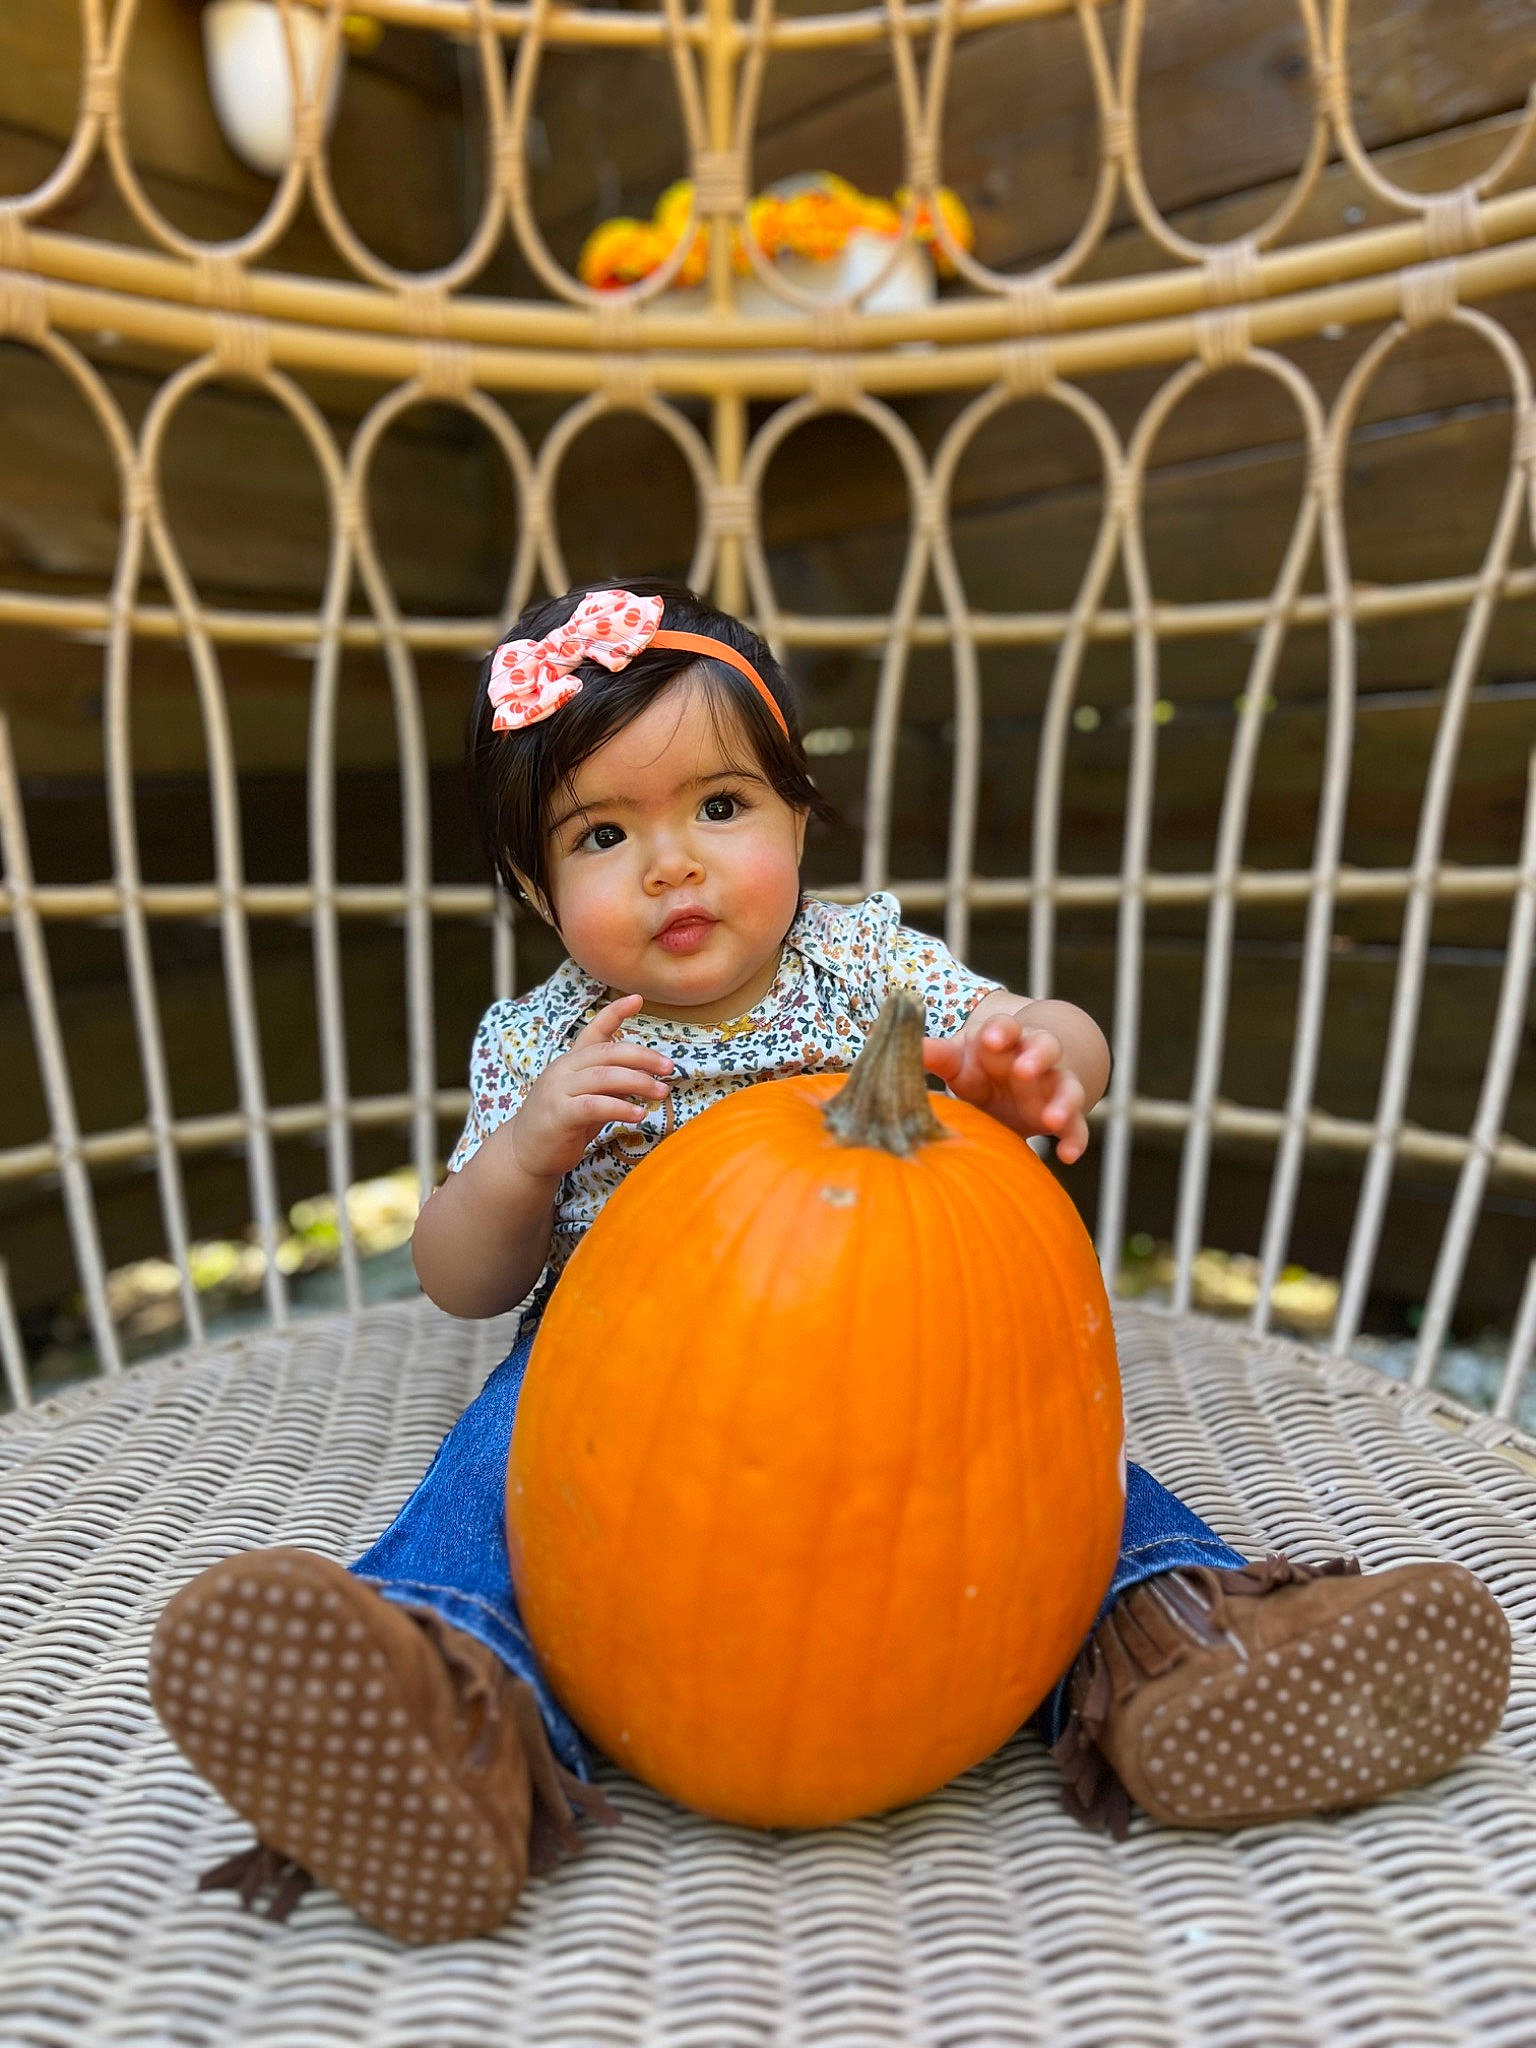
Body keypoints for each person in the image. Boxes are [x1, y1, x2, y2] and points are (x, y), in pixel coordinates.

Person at [148, 580, 1512, 1947]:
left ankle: (1196, 1652)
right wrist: (522, 1158)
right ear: (532, 886)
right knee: (498, 1472)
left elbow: (1048, 1028)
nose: (671, 864)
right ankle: (435, 1701)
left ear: (799, 814)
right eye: (604, 833)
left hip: (915, 1352)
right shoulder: (546, 1043)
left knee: (1057, 1478)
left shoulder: (859, 965)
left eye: (719, 808)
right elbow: (457, 1276)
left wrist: (1032, 1063)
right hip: (620, 1378)